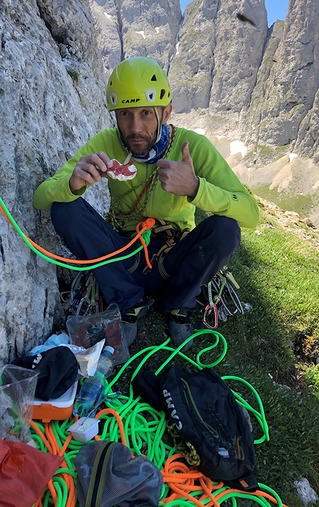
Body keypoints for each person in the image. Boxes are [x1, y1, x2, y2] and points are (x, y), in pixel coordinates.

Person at [33, 57, 259, 348]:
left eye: (145, 114)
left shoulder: (192, 146)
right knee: (65, 208)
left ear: (166, 113)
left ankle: (178, 303)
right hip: (123, 254)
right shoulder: (106, 142)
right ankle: (127, 302)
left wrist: (196, 189)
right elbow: (42, 197)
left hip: (174, 256)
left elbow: (251, 214)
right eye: (125, 114)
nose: (135, 127)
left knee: (226, 229)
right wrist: (72, 183)